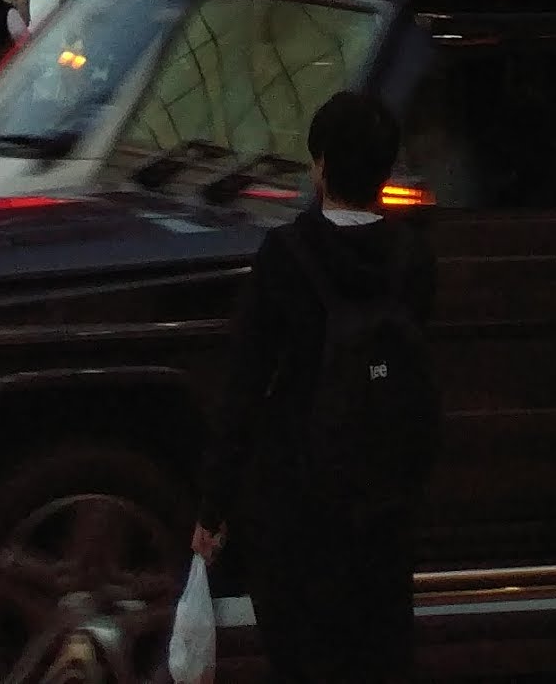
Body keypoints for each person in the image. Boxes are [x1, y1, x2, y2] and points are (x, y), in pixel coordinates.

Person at [194, 84, 438, 683]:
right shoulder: (412, 257)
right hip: (383, 505)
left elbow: (246, 385)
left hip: (299, 505)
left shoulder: (286, 254)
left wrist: (214, 507)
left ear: (322, 165)